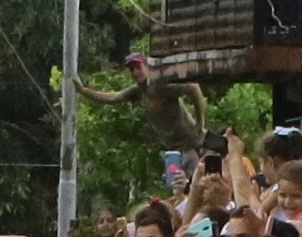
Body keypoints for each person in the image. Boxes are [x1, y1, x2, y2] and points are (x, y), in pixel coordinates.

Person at [74, 54, 209, 173]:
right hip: (173, 151)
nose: (135, 72)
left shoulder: (161, 86)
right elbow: (114, 97)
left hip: (191, 146)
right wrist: (84, 91)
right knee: (176, 190)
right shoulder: (138, 91)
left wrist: (200, 121)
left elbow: (194, 88)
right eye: (132, 70)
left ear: (148, 67)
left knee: (194, 188)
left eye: (138, 67)